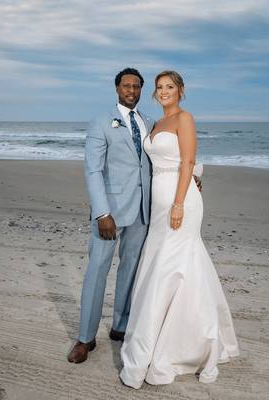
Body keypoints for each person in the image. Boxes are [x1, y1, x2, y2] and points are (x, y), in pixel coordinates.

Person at [119, 70, 239, 388]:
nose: (163, 92)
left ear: (181, 90)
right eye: (159, 88)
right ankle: (158, 336)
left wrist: (178, 203)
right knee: (162, 265)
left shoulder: (185, 119)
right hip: (158, 205)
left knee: (176, 266)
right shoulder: (156, 123)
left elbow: (187, 162)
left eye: (169, 87)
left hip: (179, 201)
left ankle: (190, 344)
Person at [68, 68, 154, 364]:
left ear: (141, 90)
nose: (131, 90)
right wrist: (102, 212)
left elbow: (161, 160)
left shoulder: (148, 122)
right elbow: (93, 170)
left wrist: (193, 174)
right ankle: (85, 338)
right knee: (97, 272)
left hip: (142, 210)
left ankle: (120, 326)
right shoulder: (101, 121)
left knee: (131, 270)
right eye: (126, 85)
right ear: (117, 88)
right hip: (111, 212)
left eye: (136, 86)